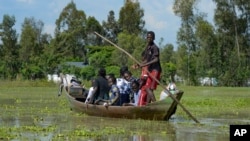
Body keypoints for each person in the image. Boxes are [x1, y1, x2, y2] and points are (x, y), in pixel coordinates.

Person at [138, 31, 162, 106]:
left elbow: (156, 59)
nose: (149, 39)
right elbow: (146, 59)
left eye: (150, 37)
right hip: (150, 70)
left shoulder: (155, 48)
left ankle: (155, 105)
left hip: (155, 70)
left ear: (153, 38)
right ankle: (148, 105)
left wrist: (146, 64)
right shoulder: (148, 47)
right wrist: (140, 64)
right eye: (148, 37)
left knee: (149, 88)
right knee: (148, 88)